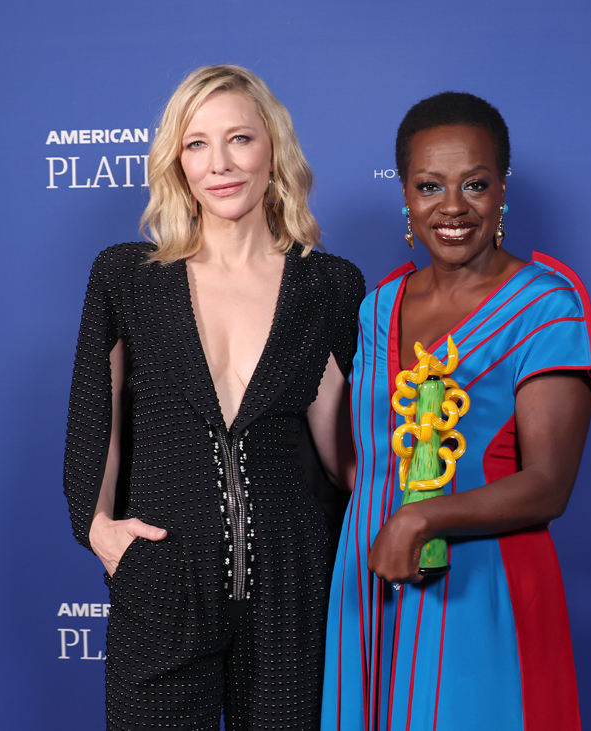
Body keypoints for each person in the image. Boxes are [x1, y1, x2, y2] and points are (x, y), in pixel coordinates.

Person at [63, 65, 364, 731]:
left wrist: (415, 509)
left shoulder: (329, 285)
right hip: (165, 575)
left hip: (293, 582)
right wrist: (98, 527)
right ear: (177, 162)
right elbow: (96, 416)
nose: (221, 164)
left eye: (239, 139)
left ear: (273, 149)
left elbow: (343, 445)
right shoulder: (127, 277)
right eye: (197, 144)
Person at [321, 92, 591, 731]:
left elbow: (549, 485)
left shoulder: (547, 307)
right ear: (406, 195)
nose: (452, 207)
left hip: (483, 590)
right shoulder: (376, 307)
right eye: (430, 186)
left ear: (503, 189)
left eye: (474, 184)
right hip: (368, 591)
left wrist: (421, 519)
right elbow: (363, 466)